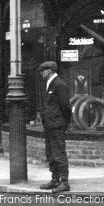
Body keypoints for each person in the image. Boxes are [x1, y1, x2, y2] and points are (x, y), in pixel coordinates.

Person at [38, 61, 72, 193]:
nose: (42, 73)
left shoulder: (59, 84)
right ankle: (54, 180)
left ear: (50, 70)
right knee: (51, 154)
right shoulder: (49, 83)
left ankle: (64, 182)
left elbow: (66, 107)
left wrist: (64, 123)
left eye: (43, 70)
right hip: (49, 124)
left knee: (59, 154)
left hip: (57, 125)